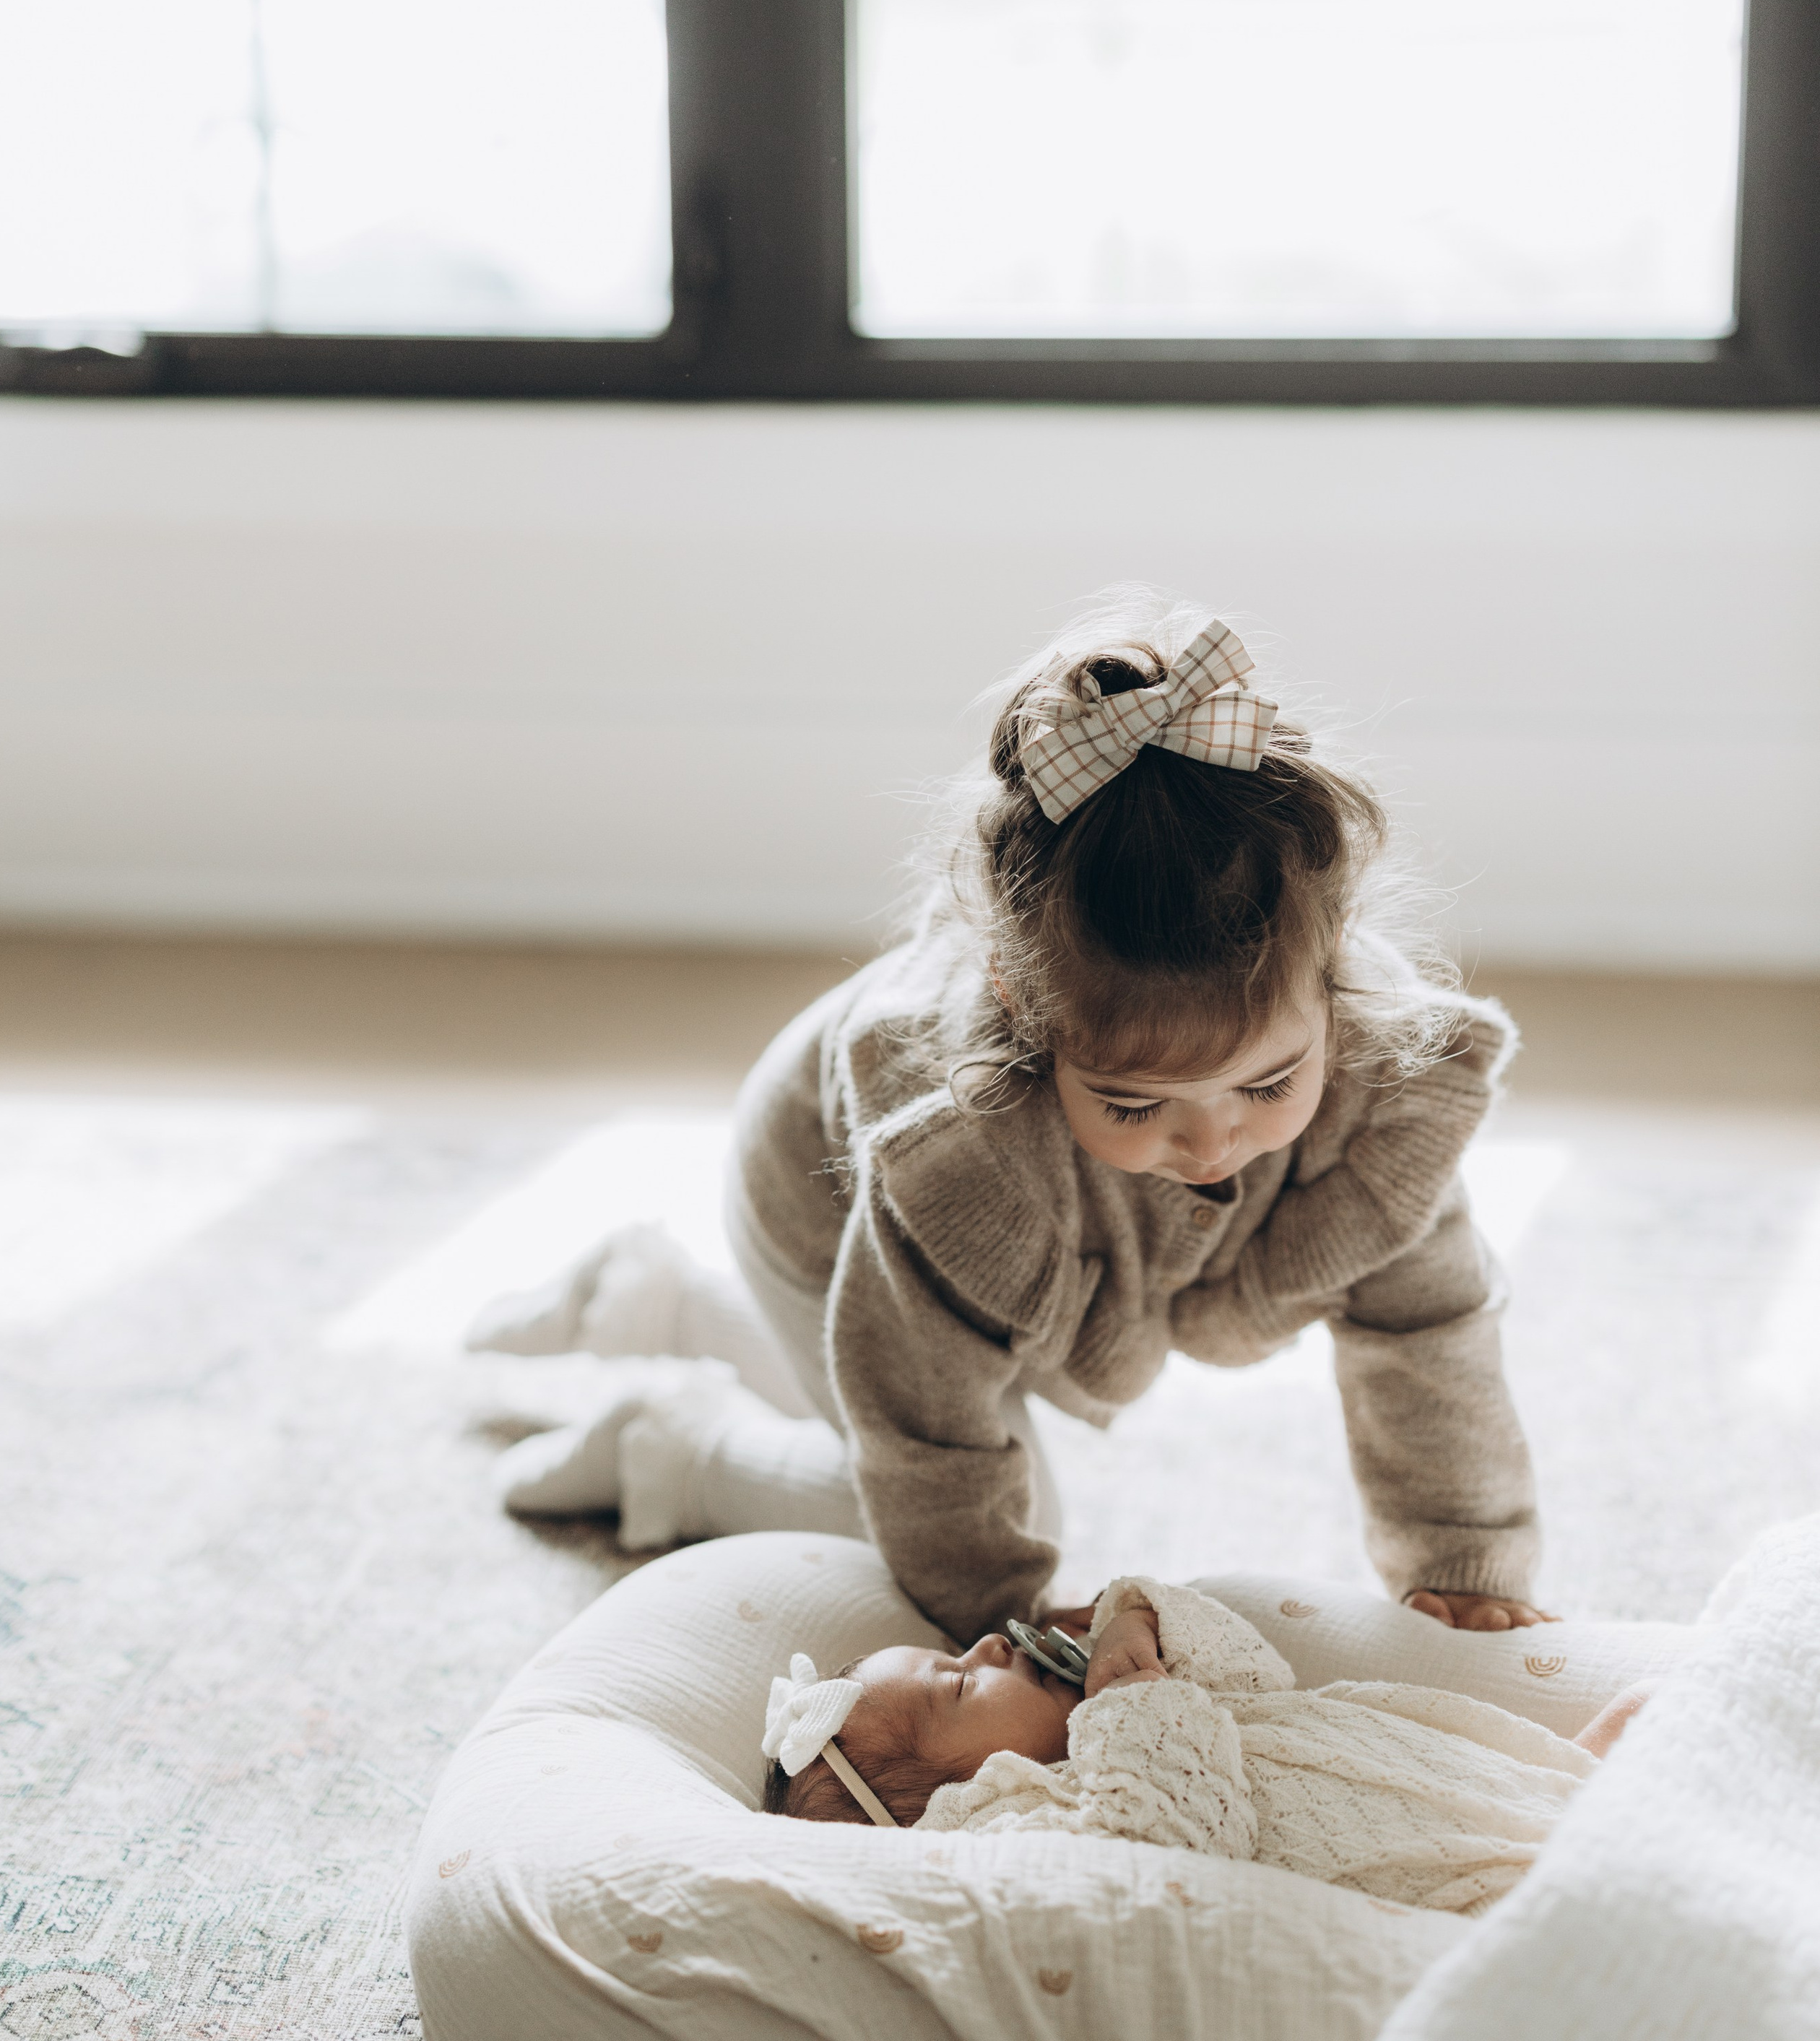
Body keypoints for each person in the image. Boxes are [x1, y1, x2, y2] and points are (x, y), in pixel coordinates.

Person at [472, 592, 1546, 1647]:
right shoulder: (959, 1151)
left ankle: (657, 1300)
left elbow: (1430, 1337)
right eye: (1135, 1102)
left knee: (990, 1383)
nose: (1212, 1142)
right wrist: (1001, 1619)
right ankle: (670, 1448)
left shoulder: (1380, 1080)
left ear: (1335, 973)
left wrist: (1461, 1564)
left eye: (1267, 1087)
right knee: (988, 1518)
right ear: (1021, 1007)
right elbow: (925, 1428)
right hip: (815, 1204)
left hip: (1046, 1253)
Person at [760, 1580, 1646, 1915]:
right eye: (957, 1685)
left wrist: (1134, 1627)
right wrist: (1130, 1706)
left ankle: (1589, 1792)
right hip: (1466, 1881)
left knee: (1651, 1710)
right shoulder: (1029, 1823)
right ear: (945, 1803)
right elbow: (1175, 1844)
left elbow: (1256, 1676)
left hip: (1511, 1780)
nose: (989, 1646)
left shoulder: (1127, 1714)